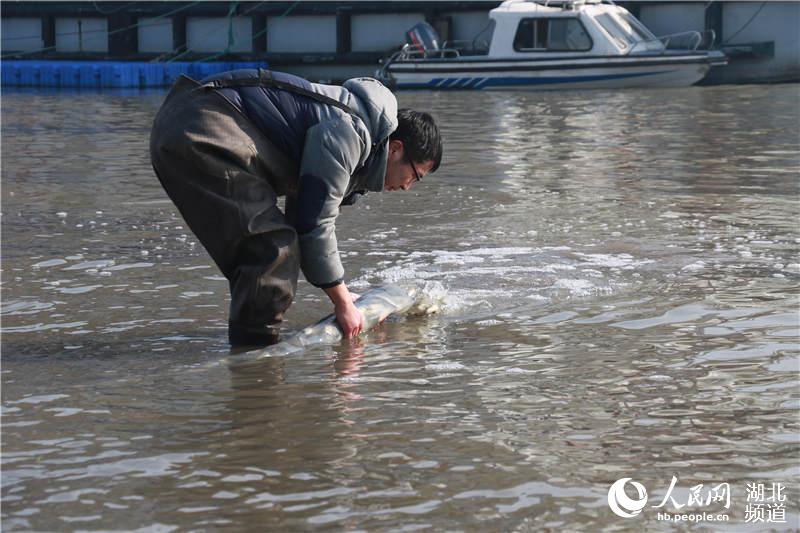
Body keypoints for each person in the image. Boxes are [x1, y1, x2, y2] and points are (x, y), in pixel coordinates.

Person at [149, 69, 442, 347]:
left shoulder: (356, 128)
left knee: (267, 251)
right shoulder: (350, 131)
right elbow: (313, 222)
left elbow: (305, 218)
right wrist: (342, 303)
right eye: (415, 176)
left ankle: (248, 359)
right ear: (396, 148)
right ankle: (257, 366)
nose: (406, 187)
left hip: (184, 120)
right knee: (272, 250)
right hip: (205, 124)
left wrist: (341, 296)